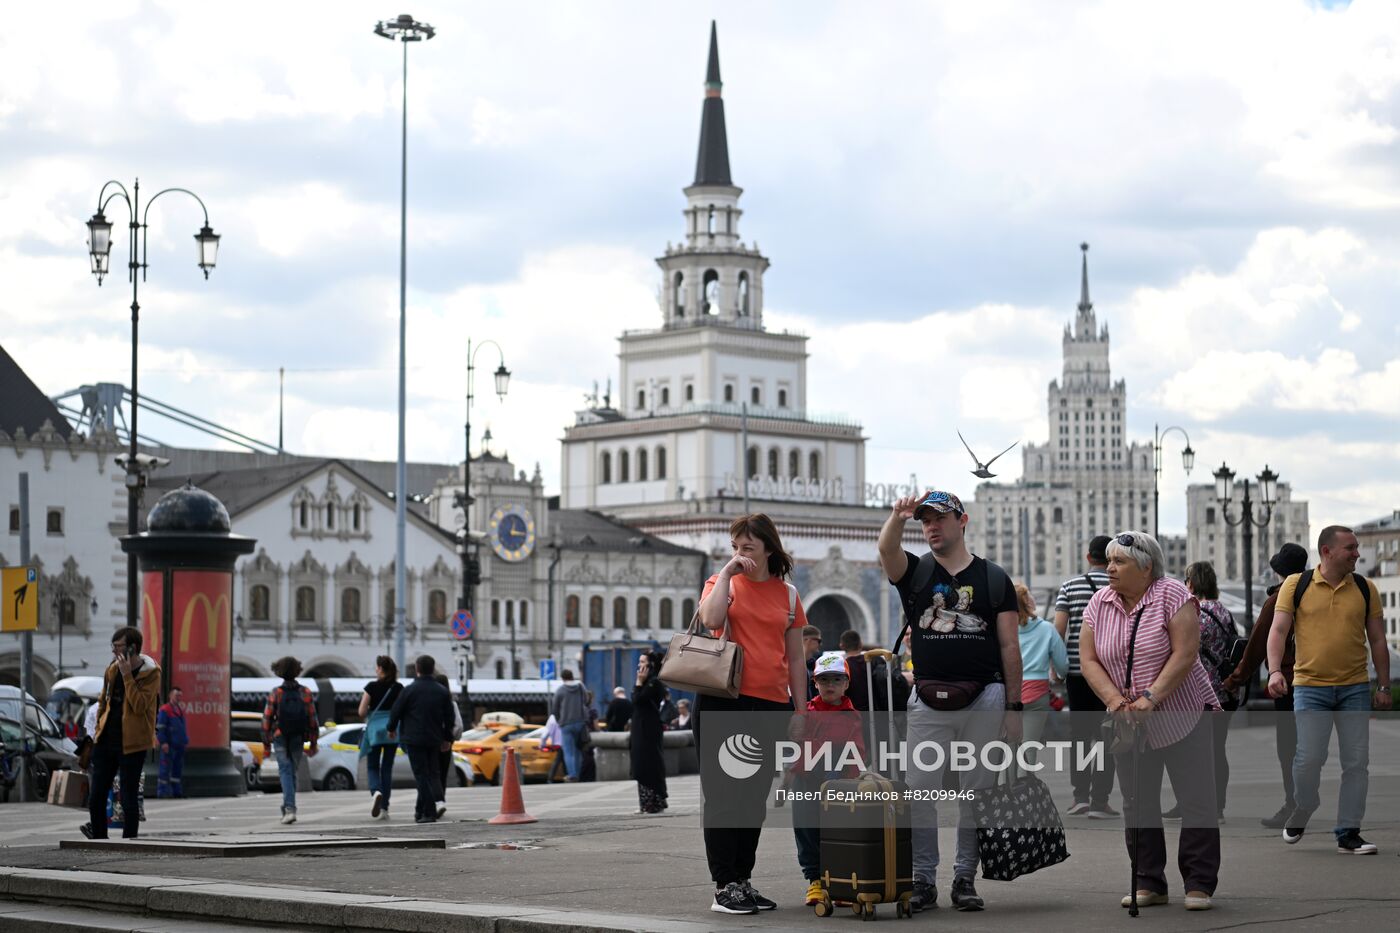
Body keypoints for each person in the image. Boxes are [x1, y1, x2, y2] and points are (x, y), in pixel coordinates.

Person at [878, 490, 1021, 914]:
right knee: (920, 792)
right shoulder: (917, 573)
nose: (931, 527)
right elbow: (887, 550)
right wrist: (896, 517)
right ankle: (923, 879)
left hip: (986, 696)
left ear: (963, 521)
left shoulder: (995, 578)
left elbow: (1010, 648)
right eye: (925, 521)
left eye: (939, 518)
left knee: (976, 794)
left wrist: (1014, 710)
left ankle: (964, 878)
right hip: (927, 698)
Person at [1080, 531, 1220, 911]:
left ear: (1145, 567)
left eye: (1119, 561)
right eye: (1108, 561)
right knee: (1136, 803)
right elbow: (1088, 659)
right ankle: (1149, 881)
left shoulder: (1171, 594)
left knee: (1196, 801)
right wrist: (1115, 700)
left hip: (1181, 714)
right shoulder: (1098, 603)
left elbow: (1186, 652)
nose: (1110, 568)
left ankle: (1199, 882)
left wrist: (1151, 697)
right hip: (1126, 720)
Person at [695, 513, 808, 915]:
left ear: (768, 550)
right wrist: (726, 571)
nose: (741, 554)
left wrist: (800, 709)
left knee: (754, 800)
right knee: (726, 798)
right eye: (735, 547)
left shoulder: (788, 594)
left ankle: (742, 880)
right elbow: (711, 621)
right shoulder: (722, 583)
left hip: (772, 705)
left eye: (748, 548)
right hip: (726, 702)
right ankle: (724, 885)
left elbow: (796, 658)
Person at [1267, 525, 1391, 854]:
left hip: (1354, 688)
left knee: (1356, 763)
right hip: (1309, 687)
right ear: (1327, 551)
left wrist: (1383, 684)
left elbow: (1378, 639)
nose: (1357, 553)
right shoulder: (1297, 585)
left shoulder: (1365, 588)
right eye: (1350, 548)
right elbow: (1278, 631)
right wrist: (1275, 671)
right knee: (1308, 759)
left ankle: (1348, 832)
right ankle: (1305, 804)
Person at [1222, 542, 1308, 828]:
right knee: (1310, 747)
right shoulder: (1313, 593)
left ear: (1276, 571)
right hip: (1320, 680)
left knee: (1288, 747)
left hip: (1288, 682)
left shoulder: (1278, 599)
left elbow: (1257, 644)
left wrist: (1235, 680)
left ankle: (1294, 804)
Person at [1164, 562, 1237, 822]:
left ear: (1191, 584)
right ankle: (1217, 806)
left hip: (1200, 694)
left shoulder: (1194, 613)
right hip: (1225, 692)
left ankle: (1191, 804)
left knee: (1194, 754)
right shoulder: (1224, 611)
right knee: (1218, 750)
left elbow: (1180, 650)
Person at [791, 651, 865, 907]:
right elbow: (796, 749)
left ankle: (840, 881)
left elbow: (857, 750)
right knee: (807, 828)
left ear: (846, 683)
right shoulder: (807, 711)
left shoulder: (851, 714)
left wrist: (854, 776)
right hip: (807, 778)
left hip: (839, 780)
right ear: (815, 683)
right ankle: (815, 879)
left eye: (836, 680)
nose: (830, 685)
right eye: (824, 680)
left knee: (839, 831)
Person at [1054, 534, 1118, 818]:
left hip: (1078, 674)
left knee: (1079, 736)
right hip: (1111, 674)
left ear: (1088, 557)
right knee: (1107, 737)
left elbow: (1058, 632)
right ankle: (1100, 800)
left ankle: (1080, 796)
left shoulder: (1069, 587)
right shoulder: (1120, 585)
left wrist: (1056, 668)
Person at [84, 627, 160, 840]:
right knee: (97, 795)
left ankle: (130, 842)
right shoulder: (112, 669)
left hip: (133, 744)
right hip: (106, 740)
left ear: (132, 648)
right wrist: (98, 728)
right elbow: (103, 700)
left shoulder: (151, 673)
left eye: (118, 647)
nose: (114, 652)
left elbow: (139, 705)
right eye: (113, 646)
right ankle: (99, 839)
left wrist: (128, 676)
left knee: (128, 797)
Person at [388, 655, 455, 824]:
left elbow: (396, 711)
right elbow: (450, 717)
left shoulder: (409, 690)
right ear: (432, 669)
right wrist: (447, 738)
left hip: (414, 739)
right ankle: (419, 811)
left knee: (421, 775)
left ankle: (429, 812)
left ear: (417, 669)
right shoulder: (442, 692)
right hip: (434, 739)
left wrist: (391, 728)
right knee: (432, 774)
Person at [262, 656, 319, 825]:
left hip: (280, 736)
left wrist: (266, 745)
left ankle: (289, 808)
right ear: (297, 670)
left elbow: (266, 720)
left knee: (285, 771)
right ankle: (289, 806)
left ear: (279, 671)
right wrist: (313, 743)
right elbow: (313, 719)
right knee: (291, 771)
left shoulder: (276, 693)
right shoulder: (305, 692)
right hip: (298, 736)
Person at [1015, 583, 1067, 757]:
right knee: (1028, 748)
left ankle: (1004, 783)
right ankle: (1023, 782)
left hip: (1009, 692)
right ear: (1028, 602)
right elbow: (1063, 665)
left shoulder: (1003, 629)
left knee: (1007, 750)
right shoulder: (1046, 628)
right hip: (1037, 691)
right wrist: (1058, 675)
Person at [358, 655, 403, 820]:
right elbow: (401, 709)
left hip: (375, 731)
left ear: (381, 669)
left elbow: (362, 711)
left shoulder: (371, 687)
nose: (376, 670)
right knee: (387, 768)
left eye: (377, 667)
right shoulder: (398, 688)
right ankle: (384, 808)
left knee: (372, 766)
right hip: (392, 730)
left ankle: (376, 791)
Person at [630, 651, 669, 814]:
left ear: (651, 665)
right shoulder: (648, 682)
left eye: (642, 662)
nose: (639, 665)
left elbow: (638, 699)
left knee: (650, 764)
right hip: (641, 727)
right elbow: (636, 700)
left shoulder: (655, 682)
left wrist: (639, 682)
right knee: (640, 764)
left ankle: (654, 802)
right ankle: (645, 803)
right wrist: (639, 683)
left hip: (649, 729)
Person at [550, 670, 592, 781]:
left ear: (562, 678)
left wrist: (560, 720)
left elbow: (554, 709)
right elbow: (586, 700)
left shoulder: (560, 691)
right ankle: (577, 774)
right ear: (572, 676)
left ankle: (572, 774)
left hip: (566, 724)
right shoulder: (580, 686)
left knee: (568, 751)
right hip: (580, 722)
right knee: (578, 749)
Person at [432, 673, 465, 811]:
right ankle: (441, 800)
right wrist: (452, 738)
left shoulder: (430, 701)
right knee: (442, 774)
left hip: (431, 741)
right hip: (447, 743)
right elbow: (458, 726)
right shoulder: (452, 703)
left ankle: (434, 802)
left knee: (432, 772)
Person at [155, 686, 189, 799]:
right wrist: (163, 742)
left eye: (180, 695)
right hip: (169, 745)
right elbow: (160, 728)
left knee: (176, 770)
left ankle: (176, 792)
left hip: (179, 746)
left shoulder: (179, 710)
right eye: (176, 695)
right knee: (164, 769)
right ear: (170, 696)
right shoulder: (165, 710)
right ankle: (162, 792)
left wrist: (184, 741)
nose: (178, 697)